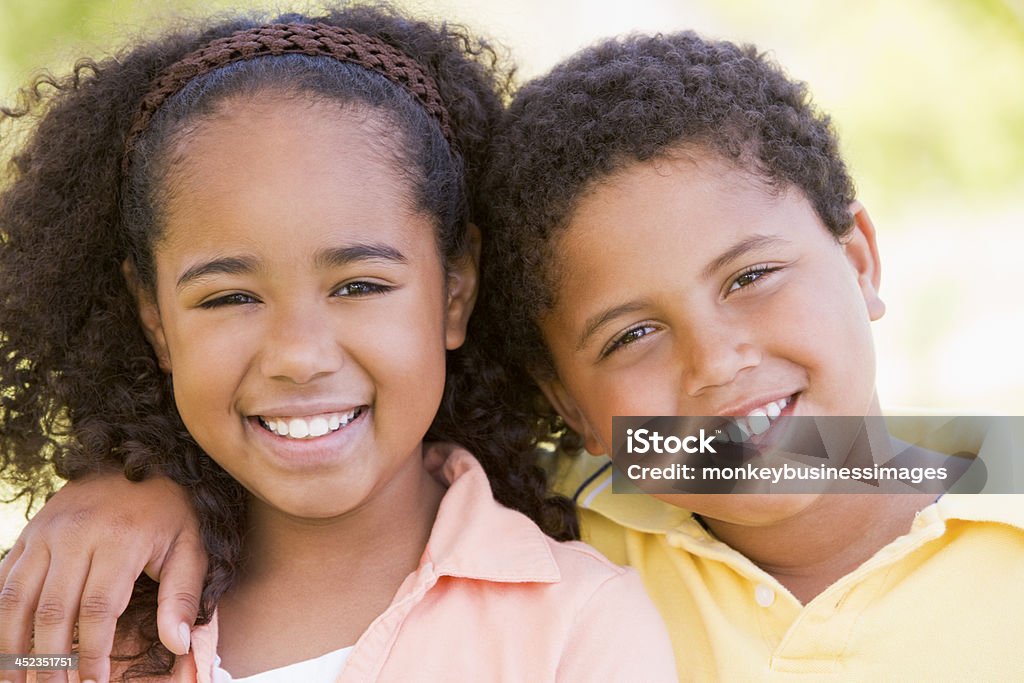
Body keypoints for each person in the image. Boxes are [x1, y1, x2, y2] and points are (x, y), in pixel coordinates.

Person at [6, 26, 1022, 683]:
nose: (716, 363)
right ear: (562, 400)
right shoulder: (592, 511)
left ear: (860, 258)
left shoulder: (578, 570)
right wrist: (136, 480)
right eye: (630, 334)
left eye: (752, 276)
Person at [0, 7, 677, 683]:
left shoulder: (580, 611)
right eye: (229, 297)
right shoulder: (78, 622)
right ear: (155, 318)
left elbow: (779, 465)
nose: (299, 354)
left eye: (359, 286)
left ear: (455, 288)